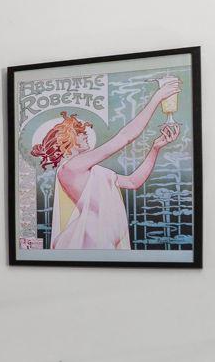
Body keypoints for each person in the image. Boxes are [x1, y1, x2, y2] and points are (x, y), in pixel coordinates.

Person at [31, 75, 183, 251]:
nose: (85, 133)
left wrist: (155, 148)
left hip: (100, 238)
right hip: (90, 238)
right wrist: (157, 98)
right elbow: (124, 137)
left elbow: (133, 182)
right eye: (80, 132)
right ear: (68, 139)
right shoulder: (72, 167)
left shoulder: (90, 170)